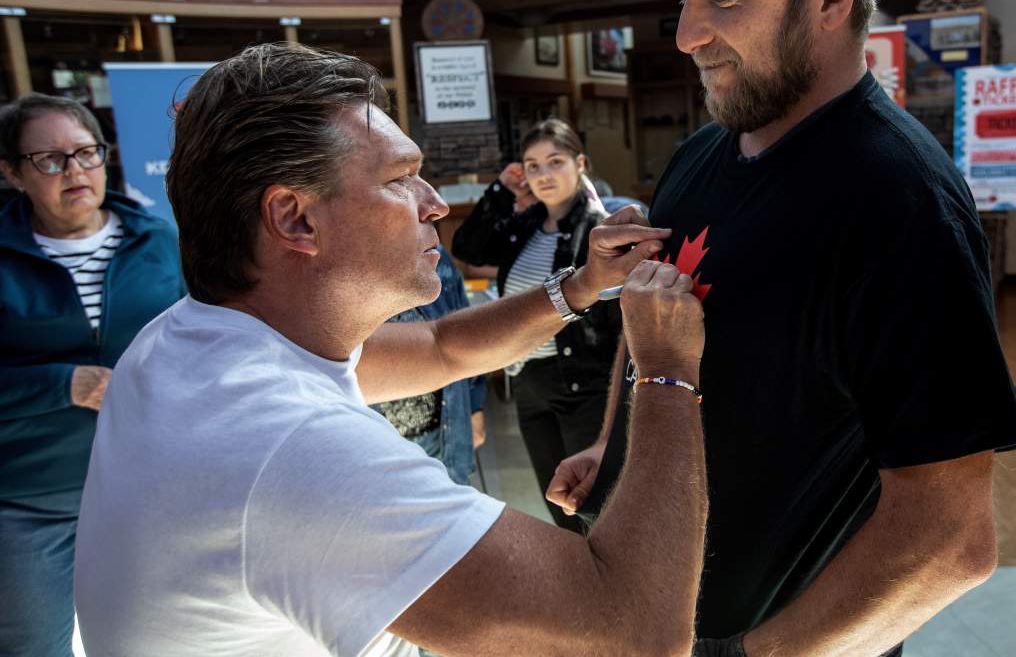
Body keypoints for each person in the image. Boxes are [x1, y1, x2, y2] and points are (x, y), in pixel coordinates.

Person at [549, 0, 1016, 656]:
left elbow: (950, 538)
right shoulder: (699, 156)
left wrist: (756, 654)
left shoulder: (899, 201)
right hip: (652, 608)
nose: (687, 34)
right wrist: (616, 447)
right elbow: (650, 320)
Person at [73, 42, 709, 657]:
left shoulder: (183, 342)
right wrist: (664, 370)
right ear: (294, 218)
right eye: (401, 178)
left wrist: (582, 285)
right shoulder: (295, 449)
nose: (435, 204)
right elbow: (637, 633)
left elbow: (441, 347)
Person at [0, 93, 185, 657]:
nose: (75, 170)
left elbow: (205, 344)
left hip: (148, 493)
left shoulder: (160, 242)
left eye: (86, 152)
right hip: (27, 503)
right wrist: (62, 384)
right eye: (50, 159)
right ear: (13, 173)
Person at [452, 119, 620, 530]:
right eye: (532, 166)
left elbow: (617, 321)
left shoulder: (598, 227)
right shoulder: (525, 226)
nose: (544, 174)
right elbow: (468, 247)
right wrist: (500, 191)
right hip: (529, 382)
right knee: (558, 504)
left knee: (592, 505)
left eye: (555, 162)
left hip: (584, 385)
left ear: (580, 163)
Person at [373, 246, 486, 486]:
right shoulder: (346, 261)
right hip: (376, 441)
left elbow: (465, 336)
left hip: (443, 431)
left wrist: (475, 407)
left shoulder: (434, 256)